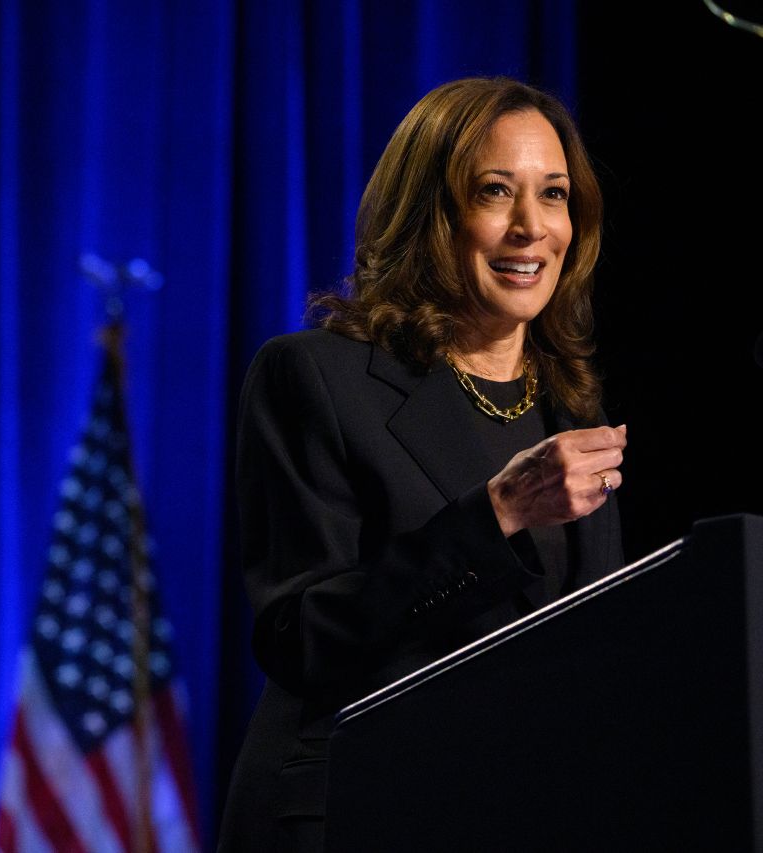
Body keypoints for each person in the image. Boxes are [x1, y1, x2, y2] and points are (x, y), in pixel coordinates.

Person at [218, 76, 627, 851]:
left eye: (554, 195)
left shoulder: (574, 410)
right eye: (495, 191)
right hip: (359, 809)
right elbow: (297, 632)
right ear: (431, 212)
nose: (530, 227)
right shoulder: (316, 378)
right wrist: (494, 515)